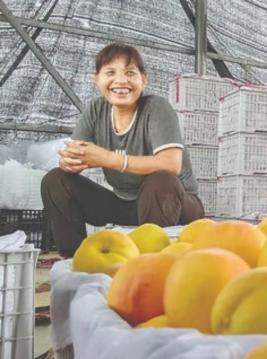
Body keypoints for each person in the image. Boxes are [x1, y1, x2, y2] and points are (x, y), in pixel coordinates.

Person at [41, 43, 203, 257]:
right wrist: (69, 163)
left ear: (143, 79)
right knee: (56, 180)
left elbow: (171, 164)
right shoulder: (96, 109)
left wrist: (109, 158)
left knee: (161, 179)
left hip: (175, 204)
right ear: (96, 79)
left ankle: (150, 259)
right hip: (127, 205)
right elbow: (76, 153)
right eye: (110, 72)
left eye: (130, 73)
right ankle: (75, 257)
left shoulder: (157, 108)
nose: (120, 81)